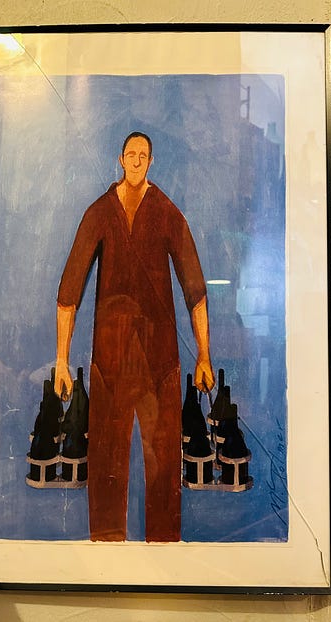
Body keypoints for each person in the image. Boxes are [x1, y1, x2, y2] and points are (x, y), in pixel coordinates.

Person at [55, 132, 215, 542]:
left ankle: (165, 558)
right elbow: (69, 291)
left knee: (164, 470)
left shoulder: (166, 211)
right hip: (109, 363)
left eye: (144, 155)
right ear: (121, 159)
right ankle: (104, 558)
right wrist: (61, 360)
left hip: (160, 361)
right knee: (105, 467)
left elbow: (195, 289)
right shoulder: (99, 212)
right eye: (131, 154)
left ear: (151, 161)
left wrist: (204, 355)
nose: (138, 161)